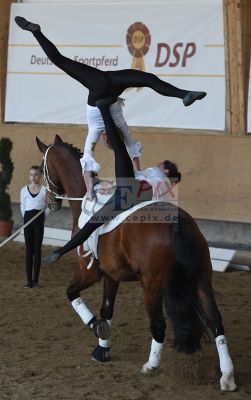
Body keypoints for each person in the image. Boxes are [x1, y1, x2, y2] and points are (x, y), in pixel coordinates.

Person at [15, 16, 204, 200]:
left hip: (100, 87)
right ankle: (184, 95)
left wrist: (89, 190)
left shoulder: (95, 130)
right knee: (149, 79)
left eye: (105, 141)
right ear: (115, 138)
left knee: (62, 62)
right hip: (112, 84)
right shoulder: (121, 127)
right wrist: (136, 172)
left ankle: (36, 32)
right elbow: (132, 150)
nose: (105, 139)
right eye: (108, 140)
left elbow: (87, 162)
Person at [44, 97, 181, 265]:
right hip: (132, 194)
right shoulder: (163, 183)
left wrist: (95, 189)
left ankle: (61, 251)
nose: (157, 164)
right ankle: (61, 251)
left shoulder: (158, 173)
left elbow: (137, 172)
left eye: (161, 164)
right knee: (95, 222)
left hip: (132, 190)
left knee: (93, 223)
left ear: (166, 170)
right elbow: (137, 171)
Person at [20, 165, 50, 288]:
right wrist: (26, 219)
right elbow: (22, 205)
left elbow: (49, 207)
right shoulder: (23, 190)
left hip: (39, 221)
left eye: (36, 174)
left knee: (37, 250)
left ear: (40, 176)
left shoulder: (44, 190)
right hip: (27, 220)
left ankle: (36, 280)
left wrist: (42, 218)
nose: (34, 177)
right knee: (29, 251)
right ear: (29, 175)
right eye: (31, 174)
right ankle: (28, 281)